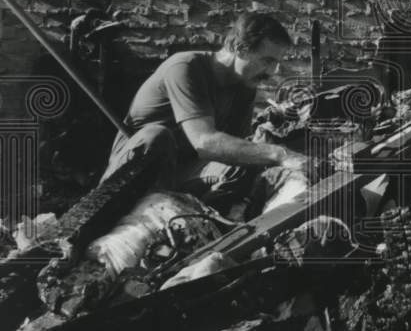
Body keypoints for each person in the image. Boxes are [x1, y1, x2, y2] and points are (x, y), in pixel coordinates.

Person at [100, 12, 307, 198]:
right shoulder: (185, 67)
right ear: (240, 48)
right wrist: (279, 154)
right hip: (137, 172)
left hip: (184, 169)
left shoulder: (243, 86)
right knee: (156, 135)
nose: (272, 72)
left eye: (276, 63)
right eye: (267, 61)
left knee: (243, 168)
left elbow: (237, 147)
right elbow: (204, 142)